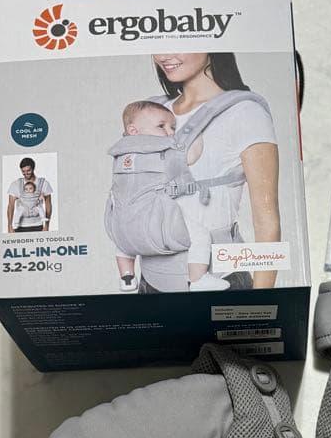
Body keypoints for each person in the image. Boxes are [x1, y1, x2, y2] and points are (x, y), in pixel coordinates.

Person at [138, 51, 280, 293]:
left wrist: (260, 305)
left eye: (177, 43)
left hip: (219, 281)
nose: (163, 55)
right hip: (151, 282)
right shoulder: (153, 112)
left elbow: (267, 222)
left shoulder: (245, 113)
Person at [113, 101, 229, 293]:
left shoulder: (120, 154)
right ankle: (198, 278)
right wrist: (196, 130)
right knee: (200, 235)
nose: (170, 132)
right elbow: (191, 156)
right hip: (155, 216)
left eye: (173, 127)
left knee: (124, 241)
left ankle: (127, 277)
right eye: (162, 126)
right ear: (133, 130)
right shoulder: (163, 152)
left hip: (123, 219)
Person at [6, 157, 52, 233]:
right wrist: (9, 226)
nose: (26, 173)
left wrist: (47, 225)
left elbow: (48, 205)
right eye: (23, 171)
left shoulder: (44, 183)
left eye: (28, 170)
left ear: (33, 169)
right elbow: (11, 205)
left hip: (38, 225)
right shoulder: (16, 184)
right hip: (20, 226)